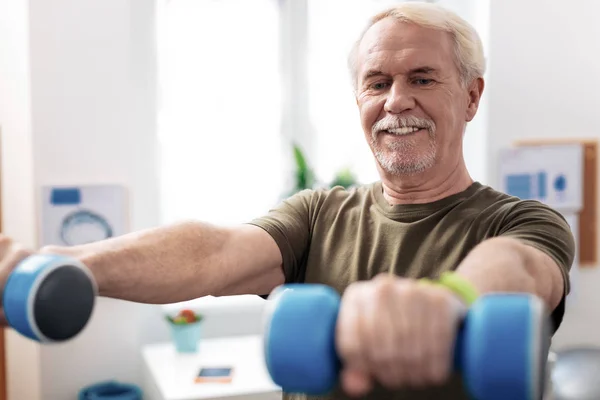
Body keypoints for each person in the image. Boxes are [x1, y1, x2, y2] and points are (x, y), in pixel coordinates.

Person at [0, 2, 573, 400]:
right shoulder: (320, 214)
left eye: (423, 78)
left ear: (471, 96)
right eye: (377, 83)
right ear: (358, 100)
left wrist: (451, 300)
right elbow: (213, 252)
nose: (397, 100)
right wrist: (70, 265)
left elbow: (521, 268)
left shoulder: (519, 220)